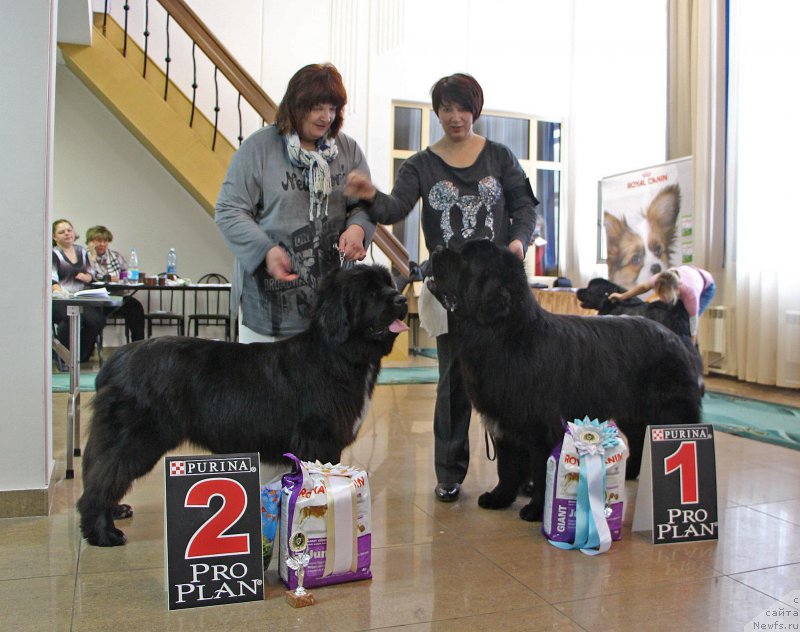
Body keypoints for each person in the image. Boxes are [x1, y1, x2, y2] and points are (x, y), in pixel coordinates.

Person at [345, 73, 539, 502]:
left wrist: (517, 242)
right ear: (436, 112)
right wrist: (369, 195)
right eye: (446, 109)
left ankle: (523, 471)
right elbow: (395, 208)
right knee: (454, 381)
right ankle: (449, 472)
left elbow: (526, 207)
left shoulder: (501, 156)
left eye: (463, 108)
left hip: (502, 292)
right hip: (450, 292)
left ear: (476, 109)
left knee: (519, 380)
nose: (455, 117)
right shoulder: (421, 164)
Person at [215, 63, 376, 343]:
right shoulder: (259, 149)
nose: (326, 117)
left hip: (331, 311)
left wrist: (358, 230)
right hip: (268, 311)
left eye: (333, 108)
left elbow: (363, 206)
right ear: (295, 105)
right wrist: (265, 250)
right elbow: (230, 210)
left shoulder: (347, 150)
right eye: (317, 107)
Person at [608, 265, 716, 345]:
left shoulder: (690, 293)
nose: (662, 299)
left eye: (665, 297)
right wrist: (622, 296)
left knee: (685, 322)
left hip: (706, 286)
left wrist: (690, 347)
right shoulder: (659, 280)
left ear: (676, 290)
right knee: (672, 317)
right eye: (661, 296)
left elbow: (693, 324)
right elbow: (643, 288)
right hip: (686, 275)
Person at [51, 219, 106, 363]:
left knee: (97, 320)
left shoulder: (82, 251)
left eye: (69, 230)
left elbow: (91, 274)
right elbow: (52, 281)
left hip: (81, 298)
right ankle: (63, 356)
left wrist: (87, 277)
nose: (67, 233)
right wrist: (62, 293)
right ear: (54, 237)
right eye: (62, 232)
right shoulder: (53, 254)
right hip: (60, 299)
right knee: (71, 317)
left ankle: (81, 354)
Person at [86, 225, 146, 342]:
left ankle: (138, 345)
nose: (102, 244)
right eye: (98, 241)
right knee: (92, 318)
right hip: (95, 299)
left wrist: (121, 277)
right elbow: (90, 276)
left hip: (116, 296)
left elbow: (126, 274)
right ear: (90, 242)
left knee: (135, 307)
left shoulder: (116, 256)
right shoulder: (85, 256)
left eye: (105, 241)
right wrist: (107, 277)